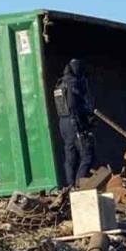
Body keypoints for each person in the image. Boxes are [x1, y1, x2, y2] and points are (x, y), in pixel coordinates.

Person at [52, 58, 95, 188]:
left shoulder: (59, 84)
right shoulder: (73, 83)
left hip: (63, 123)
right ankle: (80, 184)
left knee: (70, 154)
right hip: (73, 122)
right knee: (87, 154)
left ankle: (70, 185)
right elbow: (75, 106)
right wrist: (86, 120)